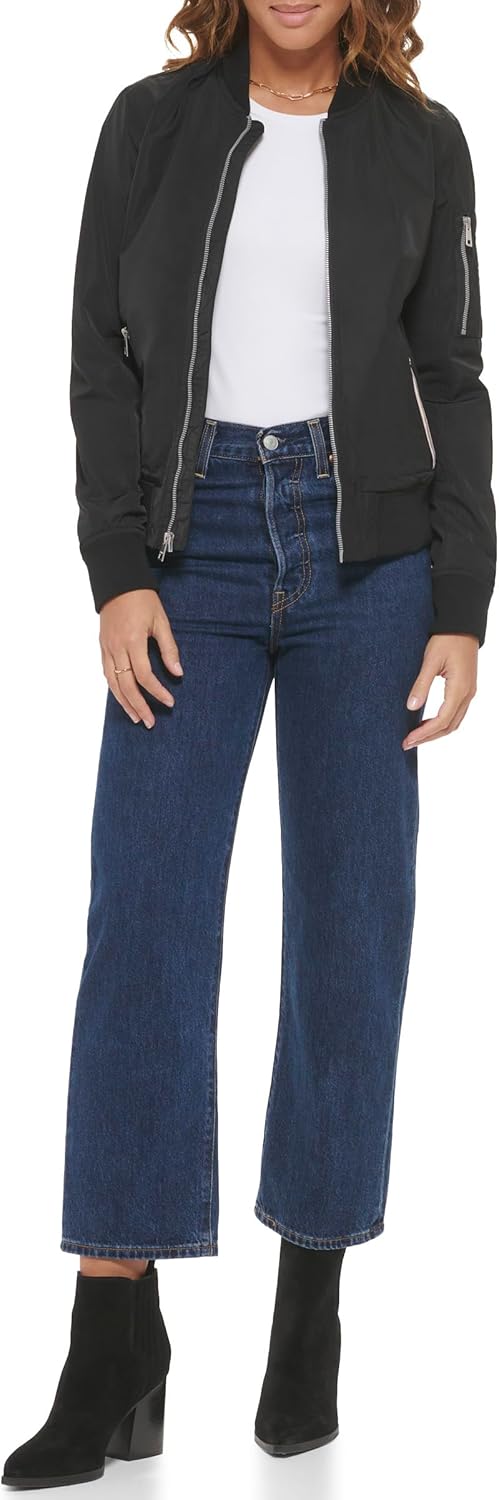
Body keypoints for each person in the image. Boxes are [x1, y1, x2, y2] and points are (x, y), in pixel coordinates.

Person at [2, 0, 495, 1487]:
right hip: (189, 546)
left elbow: (453, 379)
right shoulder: (151, 125)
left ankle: (310, 1306)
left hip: (370, 558)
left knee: (351, 929)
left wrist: (460, 604)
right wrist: (116, 572)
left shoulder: (423, 143)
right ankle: (114, 1336)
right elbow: (99, 361)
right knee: (143, 924)